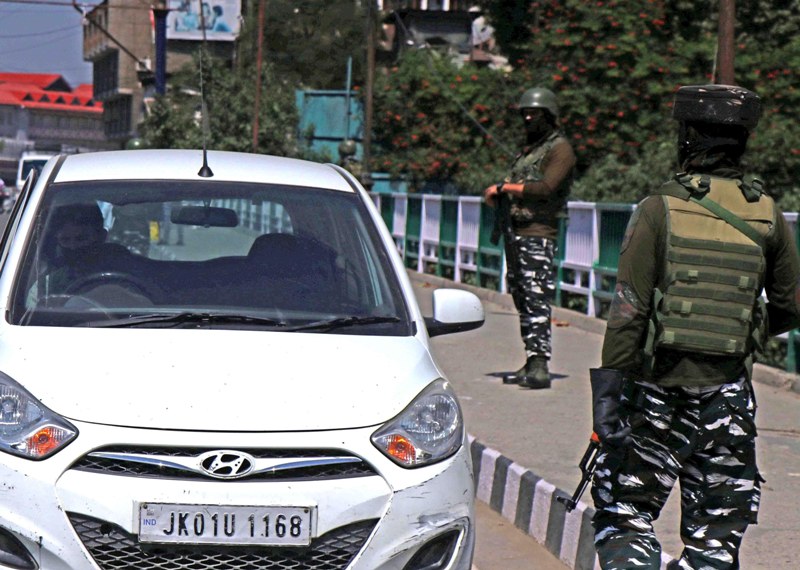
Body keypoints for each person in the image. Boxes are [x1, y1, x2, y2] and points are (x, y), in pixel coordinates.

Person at [589, 84, 800, 569]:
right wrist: (743, 328)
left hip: (653, 392)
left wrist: (608, 403)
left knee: (625, 519)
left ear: (685, 136)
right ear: (743, 142)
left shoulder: (658, 208)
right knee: (715, 543)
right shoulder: (767, 214)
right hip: (727, 397)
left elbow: (628, 311)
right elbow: (790, 304)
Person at [483, 87, 576, 389]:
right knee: (522, 297)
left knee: (536, 299)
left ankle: (540, 364)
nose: (527, 118)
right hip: (517, 232)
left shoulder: (560, 149)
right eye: (525, 113)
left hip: (538, 233)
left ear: (548, 116)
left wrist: (504, 188)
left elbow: (546, 188)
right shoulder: (531, 150)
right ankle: (531, 358)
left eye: (534, 113)